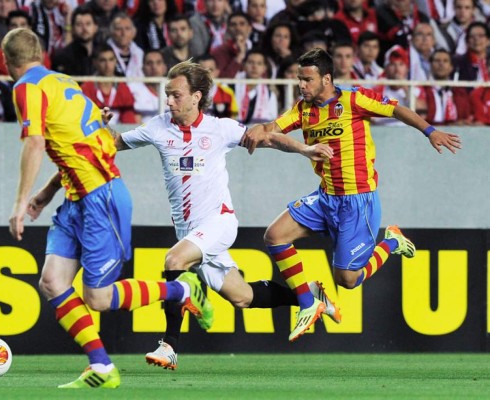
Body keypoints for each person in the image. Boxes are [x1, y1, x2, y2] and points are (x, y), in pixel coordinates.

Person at [2, 27, 213, 389]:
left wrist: (20, 202)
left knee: (97, 298)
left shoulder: (26, 88)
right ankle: (101, 366)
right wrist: (46, 193)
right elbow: (81, 146)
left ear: (6, 62)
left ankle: (183, 290)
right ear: (41, 53)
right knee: (52, 282)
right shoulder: (64, 83)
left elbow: (36, 143)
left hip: (102, 197)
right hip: (75, 197)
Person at [104, 59, 335, 370]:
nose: (169, 101)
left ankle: (169, 345)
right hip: (190, 232)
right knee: (242, 297)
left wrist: (305, 150)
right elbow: (113, 143)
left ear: (197, 97)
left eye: (176, 95)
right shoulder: (157, 127)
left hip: (219, 222)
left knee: (174, 261)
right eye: (167, 95)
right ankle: (308, 296)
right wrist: (98, 125)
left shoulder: (220, 128)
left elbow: (266, 137)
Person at [241, 48, 461, 342]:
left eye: (307, 79)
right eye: (299, 79)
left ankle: (391, 241)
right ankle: (308, 303)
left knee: (347, 280)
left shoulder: (354, 99)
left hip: (358, 202)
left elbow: (396, 109)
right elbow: (272, 128)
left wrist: (430, 131)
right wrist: (260, 129)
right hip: (325, 197)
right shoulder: (302, 110)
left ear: (327, 78)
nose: (301, 85)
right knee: (274, 235)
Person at [81, 45, 137, 124]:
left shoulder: (123, 88)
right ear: (95, 62)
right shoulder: (87, 88)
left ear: (115, 61)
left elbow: (129, 122)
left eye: (111, 60)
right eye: (103, 60)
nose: (107, 65)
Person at [51, 6, 98, 77]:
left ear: (95, 27)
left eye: (88, 24)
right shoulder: (62, 57)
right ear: (72, 28)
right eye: (79, 25)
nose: (84, 29)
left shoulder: (104, 53)